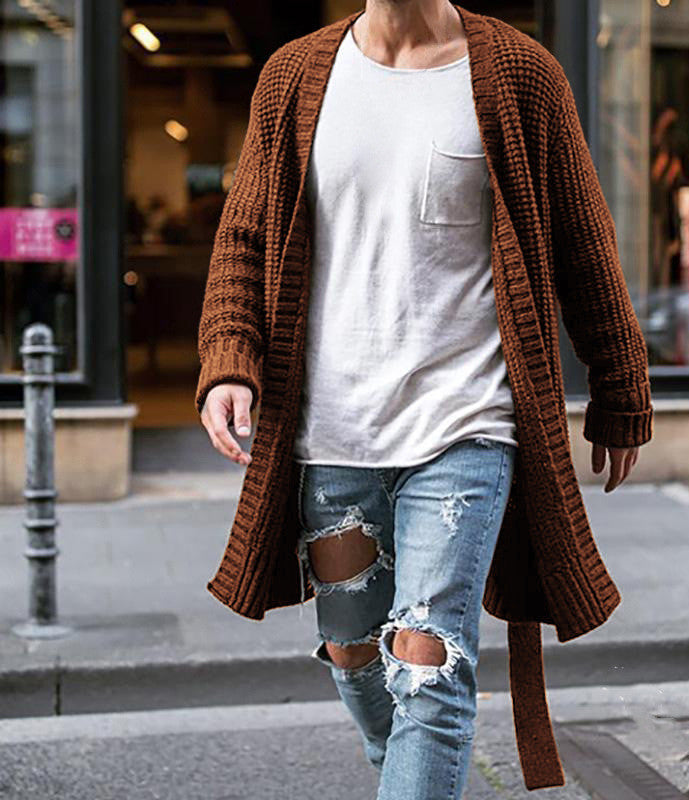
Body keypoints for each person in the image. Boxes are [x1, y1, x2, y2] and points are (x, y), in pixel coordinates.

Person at [195, 2, 653, 796]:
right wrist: (230, 360)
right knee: (353, 653)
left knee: (430, 662)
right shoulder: (295, 76)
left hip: (465, 426)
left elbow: (582, 238)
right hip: (330, 437)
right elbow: (245, 237)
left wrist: (619, 385)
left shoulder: (519, 74)